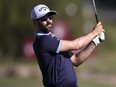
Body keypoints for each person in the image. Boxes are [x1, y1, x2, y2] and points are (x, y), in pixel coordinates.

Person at [31, 4, 105, 87]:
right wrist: (94, 32)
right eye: (44, 19)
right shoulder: (43, 40)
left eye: (50, 17)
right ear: (35, 22)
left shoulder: (53, 40)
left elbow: (76, 60)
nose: (49, 21)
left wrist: (95, 41)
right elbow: (77, 45)